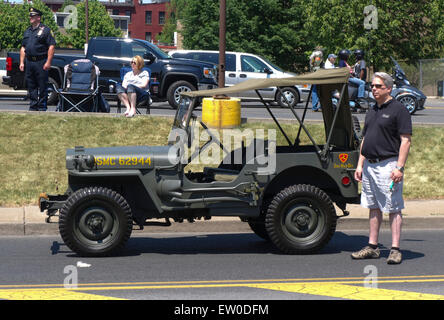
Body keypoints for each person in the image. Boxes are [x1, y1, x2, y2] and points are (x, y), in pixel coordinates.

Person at [352, 72, 412, 265]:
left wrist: (399, 168)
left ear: (388, 88)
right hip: (370, 165)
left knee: (393, 207)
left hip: (388, 166)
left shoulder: (398, 110)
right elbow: (365, 139)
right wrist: (360, 164)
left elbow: (405, 141)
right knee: (373, 206)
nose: (374, 89)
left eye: (378, 86)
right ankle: (373, 246)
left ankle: (395, 249)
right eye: (372, 86)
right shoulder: (372, 110)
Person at [20, 7, 56, 111]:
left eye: (33, 16)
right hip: (29, 61)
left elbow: (51, 46)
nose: (30, 17)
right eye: (30, 16)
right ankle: (33, 106)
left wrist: (48, 62)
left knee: (42, 85)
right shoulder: (27, 31)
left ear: (38, 18)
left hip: (41, 61)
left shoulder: (46, 30)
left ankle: (42, 107)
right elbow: (23, 47)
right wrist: (22, 62)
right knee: (31, 85)